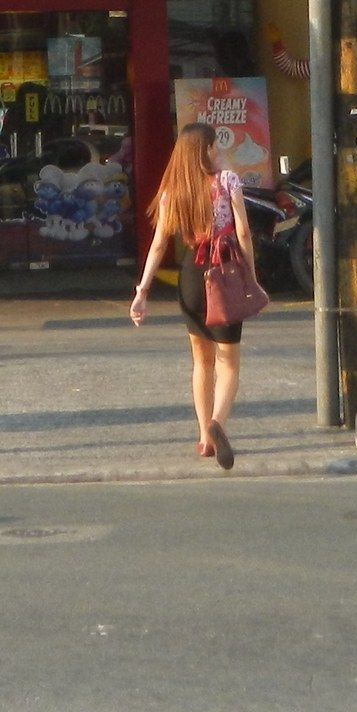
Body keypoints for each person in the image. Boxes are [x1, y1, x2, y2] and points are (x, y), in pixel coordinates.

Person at [129, 118, 253, 468]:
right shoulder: (227, 181)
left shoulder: (173, 192)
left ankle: (203, 438)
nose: (220, 151)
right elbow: (243, 234)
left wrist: (142, 292)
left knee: (201, 361)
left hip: (190, 278)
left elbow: (157, 247)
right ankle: (217, 423)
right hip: (224, 275)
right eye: (216, 146)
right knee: (229, 361)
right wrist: (252, 279)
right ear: (208, 150)